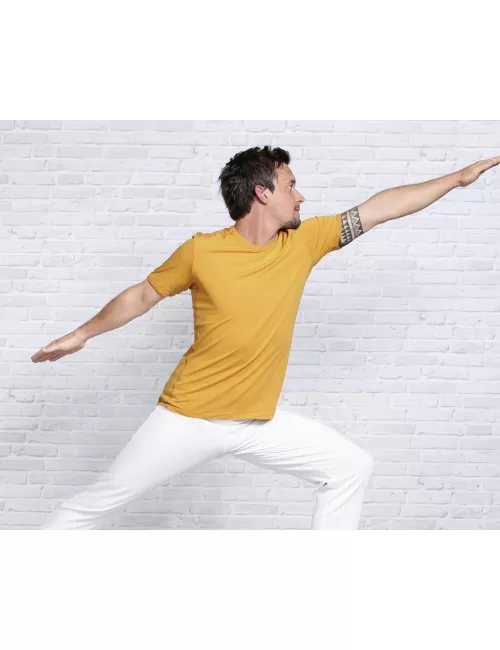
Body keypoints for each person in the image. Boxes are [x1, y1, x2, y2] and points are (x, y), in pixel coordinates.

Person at [32, 147, 500, 529]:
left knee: (351, 466)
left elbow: (380, 208)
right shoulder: (202, 251)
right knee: (94, 505)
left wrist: (457, 178)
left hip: (257, 422)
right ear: (262, 192)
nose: (300, 196)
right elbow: (141, 295)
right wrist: (82, 334)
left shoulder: (304, 241)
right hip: (190, 418)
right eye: (291, 185)